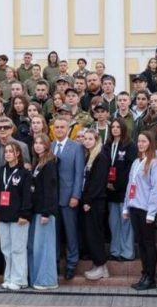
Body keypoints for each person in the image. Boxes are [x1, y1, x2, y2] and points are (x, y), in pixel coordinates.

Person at [124, 132, 157, 291]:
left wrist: (152, 212)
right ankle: (144, 273)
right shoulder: (136, 162)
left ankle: (150, 276)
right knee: (140, 243)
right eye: (139, 141)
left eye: (144, 141)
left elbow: (156, 189)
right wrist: (126, 206)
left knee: (149, 243)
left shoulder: (154, 163)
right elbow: (129, 186)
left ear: (150, 143)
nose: (140, 144)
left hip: (146, 209)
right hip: (134, 207)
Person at [50, 117, 86, 280]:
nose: (59, 130)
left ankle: (71, 264)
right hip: (52, 198)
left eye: (62, 127)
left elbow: (79, 174)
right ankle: (55, 262)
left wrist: (75, 195)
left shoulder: (76, 147)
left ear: (68, 129)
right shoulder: (50, 146)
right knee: (53, 234)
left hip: (69, 197)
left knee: (71, 233)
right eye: (56, 127)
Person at [0, 141, 32, 291]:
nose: (8, 153)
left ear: (18, 154)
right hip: (3, 215)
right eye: (6, 151)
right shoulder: (0, 171)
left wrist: (25, 213)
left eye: (11, 151)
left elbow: (27, 196)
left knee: (18, 249)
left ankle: (20, 279)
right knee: (6, 248)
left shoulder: (24, 173)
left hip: (19, 217)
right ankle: (8, 277)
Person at [28, 135, 60, 290]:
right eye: (36, 143)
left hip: (45, 212)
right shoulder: (38, 163)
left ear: (47, 145)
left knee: (46, 247)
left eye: (41, 143)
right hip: (37, 210)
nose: (38, 145)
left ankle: (47, 280)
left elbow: (50, 190)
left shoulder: (49, 164)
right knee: (37, 247)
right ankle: (38, 278)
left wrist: (47, 213)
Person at [80, 129, 112, 281]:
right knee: (91, 234)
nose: (86, 141)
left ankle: (100, 265)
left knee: (95, 234)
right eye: (85, 139)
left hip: (95, 202)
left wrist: (88, 201)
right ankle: (100, 266)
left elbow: (98, 182)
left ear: (96, 140)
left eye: (90, 139)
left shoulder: (100, 156)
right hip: (91, 201)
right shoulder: (90, 155)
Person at [106, 119, 136, 263]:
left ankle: (127, 252)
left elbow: (129, 169)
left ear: (123, 128)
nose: (115, 129)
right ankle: (115, 250)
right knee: (114, 222)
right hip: (109, 191)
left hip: (123, 190)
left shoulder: (130, 146)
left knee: (125, 222)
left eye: (118, 127)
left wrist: (116, 184)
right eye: (113, 126)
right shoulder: (108, 145)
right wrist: (107, 183)